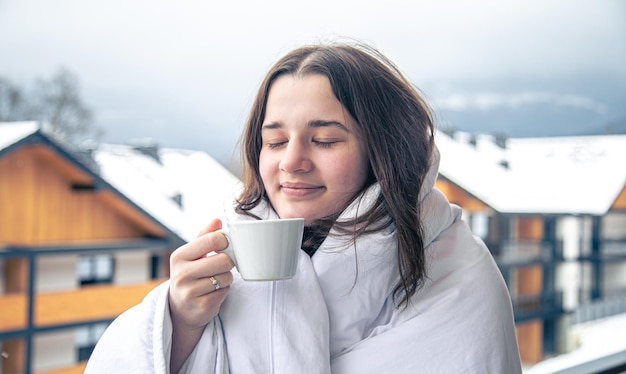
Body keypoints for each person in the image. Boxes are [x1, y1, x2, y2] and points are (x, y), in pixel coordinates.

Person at [86, 41, 522, 373]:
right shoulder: (235, 258)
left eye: (326, 140)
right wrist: (179, 323)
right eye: (274, 141)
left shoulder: (458, 278)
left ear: (384, 151)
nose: (291, 161)